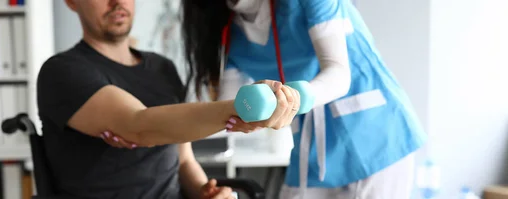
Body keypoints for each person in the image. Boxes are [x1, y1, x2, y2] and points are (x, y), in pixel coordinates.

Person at [105, 0, 428, 198]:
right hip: (312, 149)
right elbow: (229, 116)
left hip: (375, 136)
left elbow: (339, 74)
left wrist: (288, 99)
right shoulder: (230, 31)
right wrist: (144, 131)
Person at [35, 0, 300, 198]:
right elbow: (139, 126)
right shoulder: (62, 71)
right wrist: (239, 109)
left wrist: (202, 191)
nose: (117, 3)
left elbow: (182, 158)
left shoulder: (162, 68)